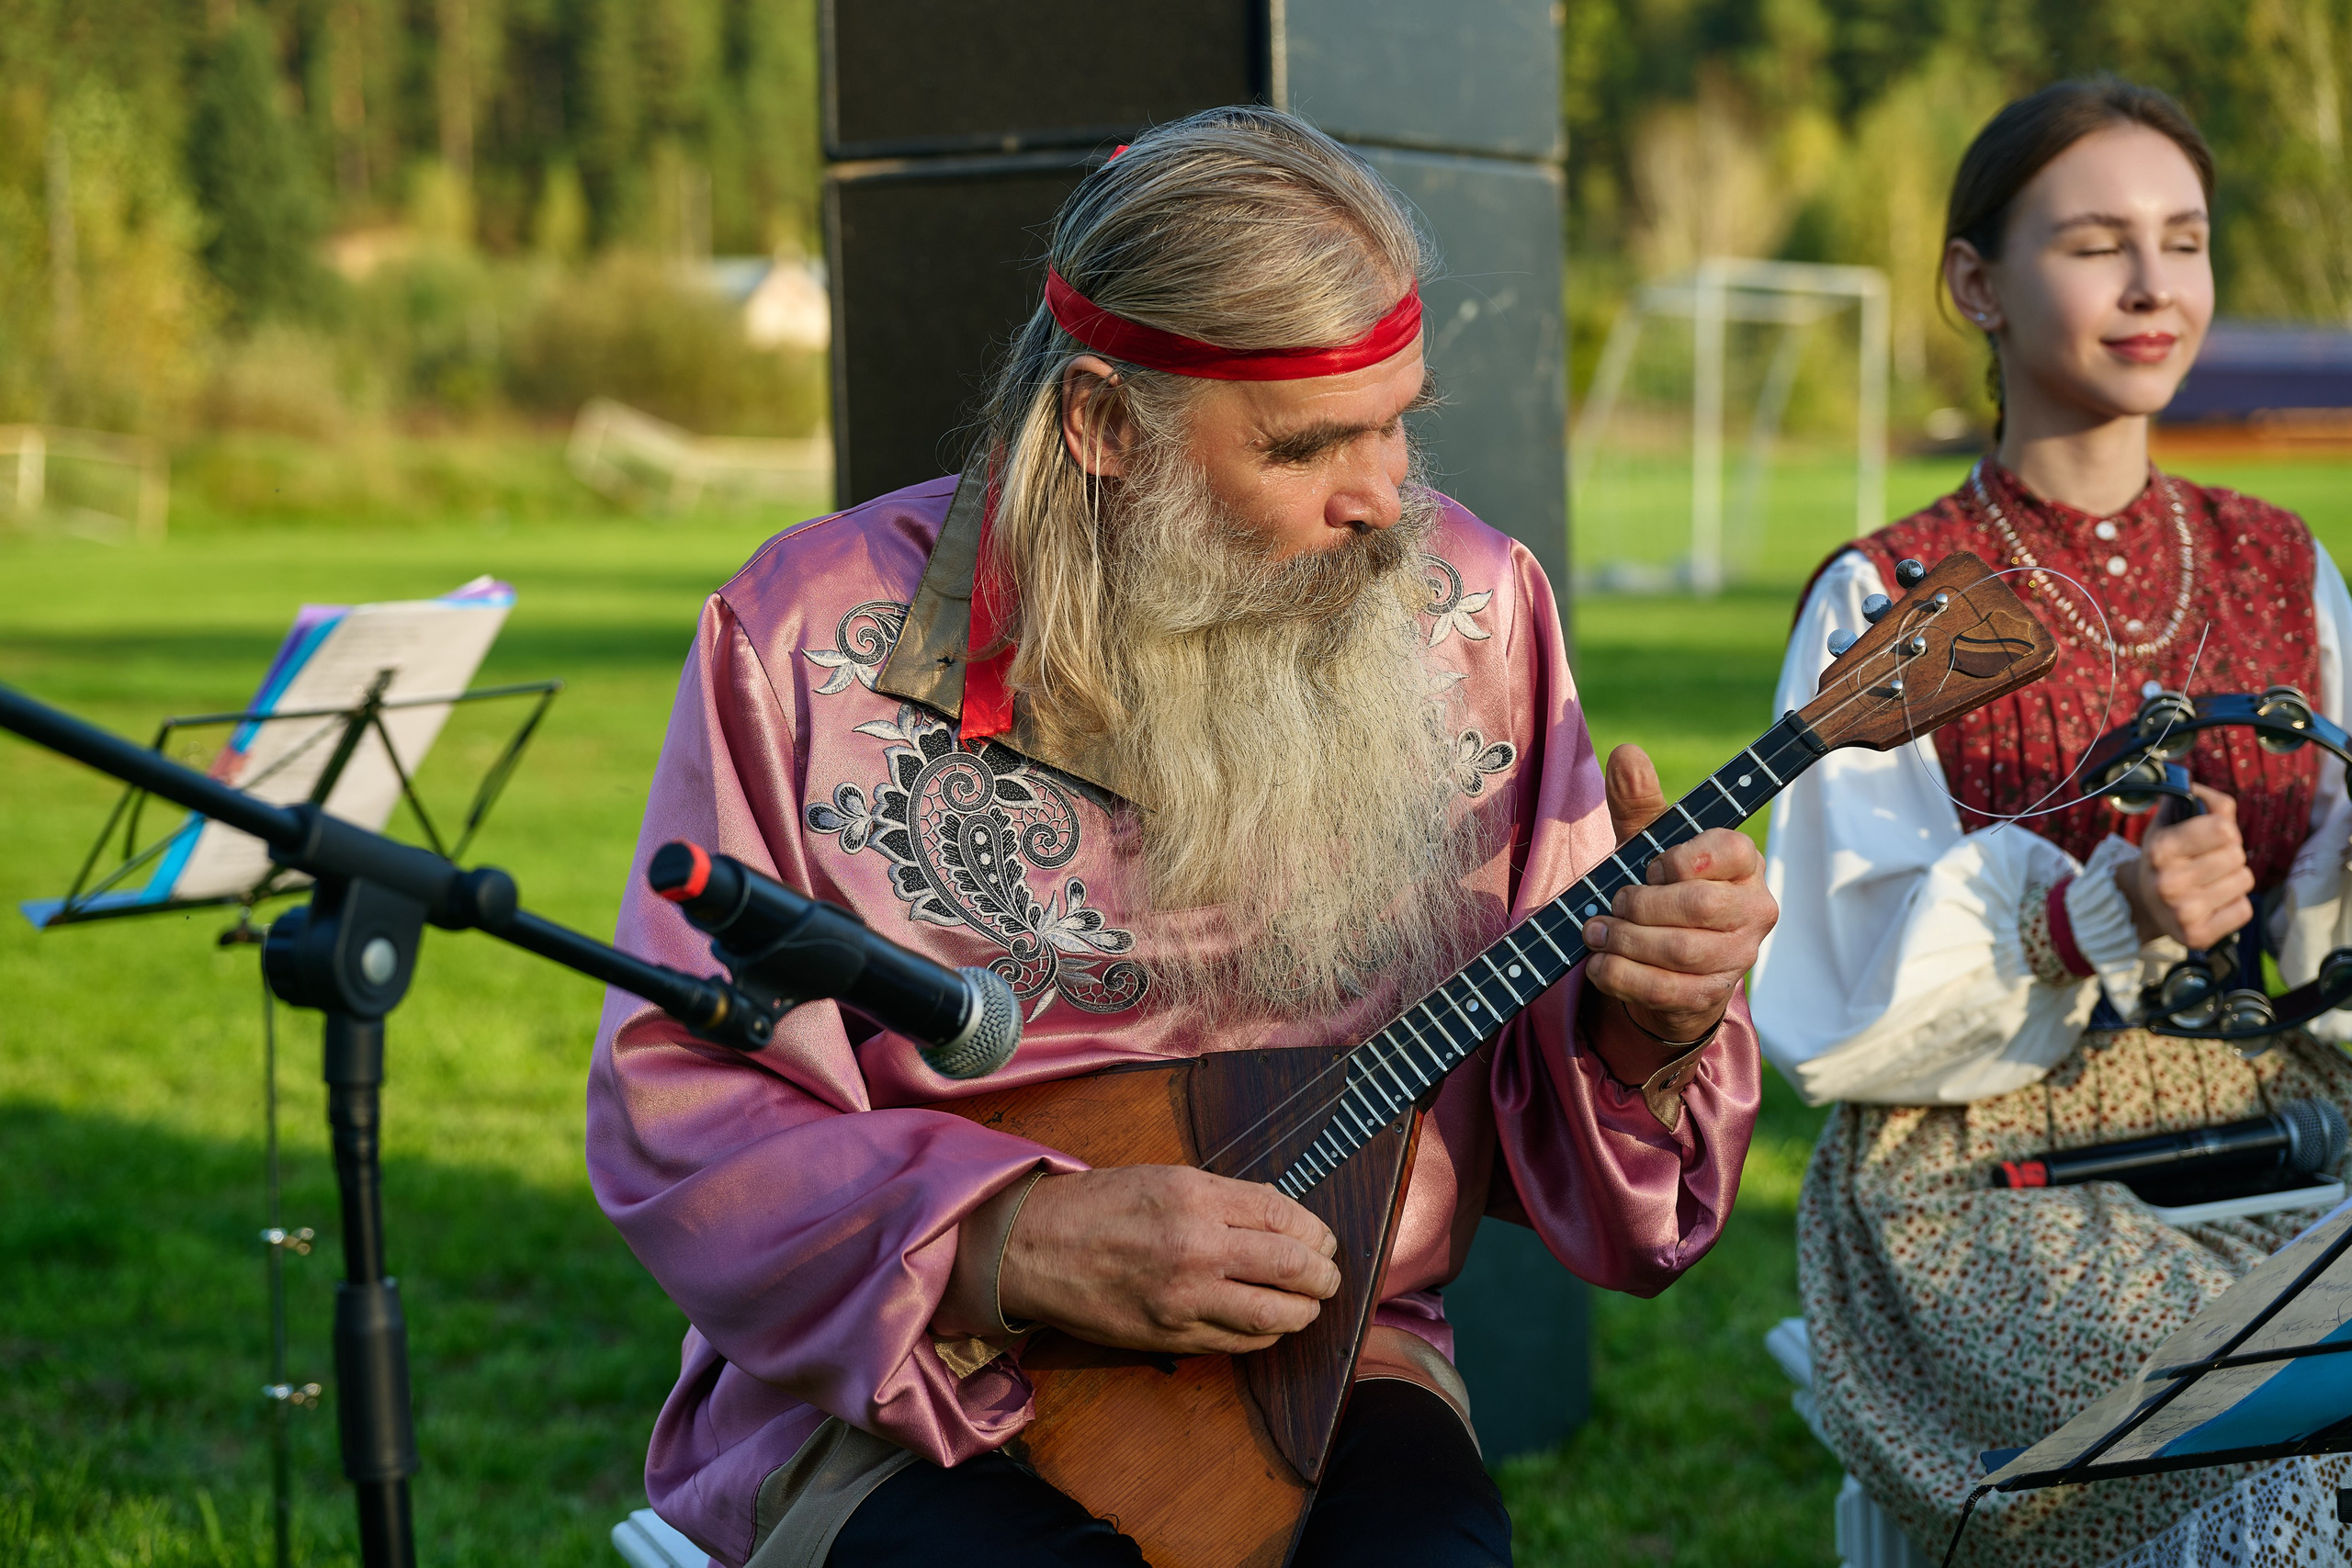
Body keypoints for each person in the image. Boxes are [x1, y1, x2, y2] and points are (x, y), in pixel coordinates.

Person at [588, 107, 1777, 1568]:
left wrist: (1651, 1019)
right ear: (1099, 423)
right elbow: (686, 1103)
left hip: (1338, 1358)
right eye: (1307, 446)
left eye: (1400, 418)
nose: (1384, 498)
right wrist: (1012, 1248)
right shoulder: (806, 638)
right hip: (915, 1378)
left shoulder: (1473, 611)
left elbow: (1587, 1156)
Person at [1755, 79, 2352, 1566]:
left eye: (2185, 240)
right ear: (1977, 283)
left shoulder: (2283, 561)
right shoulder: (1890, 597)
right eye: (2098, 244)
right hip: (1980, 1182)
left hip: (2275, 1127)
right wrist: (2100, 915)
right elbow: (1829, 994)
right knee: (2261, 1431)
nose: (2155, 286)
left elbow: (2324, 932)